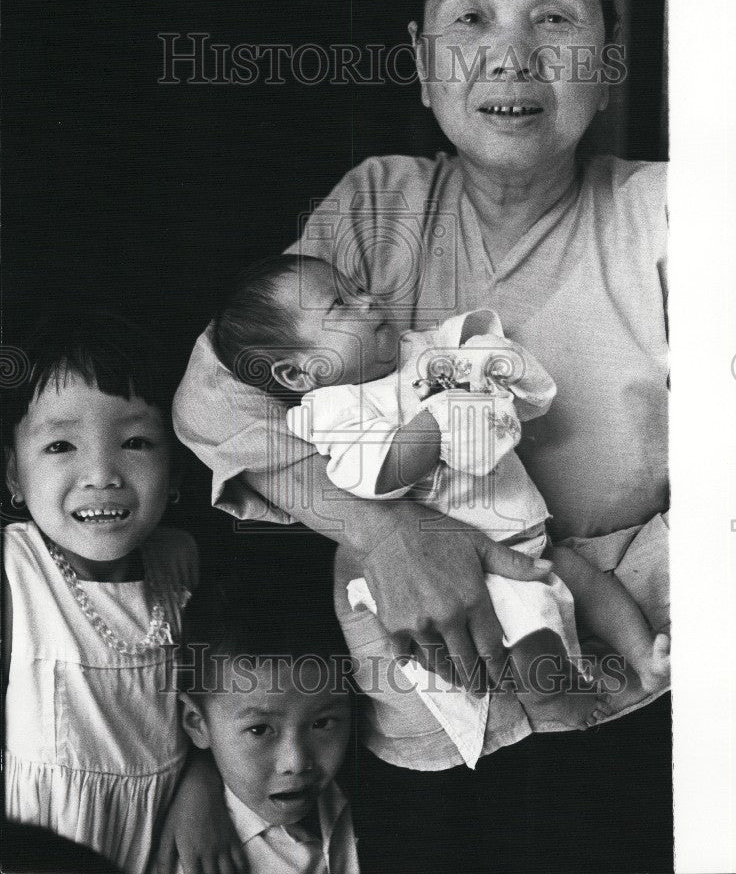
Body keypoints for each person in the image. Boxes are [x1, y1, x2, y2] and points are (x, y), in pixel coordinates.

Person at [169, 0, 671, 871]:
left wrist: (570, 577)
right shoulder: (376, 209)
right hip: (415, 735)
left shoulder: (662, 219)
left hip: (630, 715)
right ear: (419, 61)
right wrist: (384, 526)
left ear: (609, 58)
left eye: (555, 17)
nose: (511, 55)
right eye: (470, 14)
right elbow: (215, 397)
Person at [211, 252, 669, 743]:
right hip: (467, 569)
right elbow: (375, 475)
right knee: (526, 640)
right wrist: (436, 415)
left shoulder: (422, 350)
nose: (368, 300)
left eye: (359, 288)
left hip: (526, 531)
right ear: (300, 374)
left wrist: (492, 360)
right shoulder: (331, 412)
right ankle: (555, 701)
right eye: (341, 305)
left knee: (587, 581)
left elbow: (504, 373)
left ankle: (645, 658)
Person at [2, 311, 198, 874]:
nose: (102, 474)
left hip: (160, 842)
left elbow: (215, 711)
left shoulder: (181, 569)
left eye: (135, 441)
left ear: (177, 470)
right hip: (41, 848)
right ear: (14, 474)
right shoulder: (16, 573)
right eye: (61, 446)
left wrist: (201, 787)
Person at [174, 560, 360, 874]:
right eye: (259, 729)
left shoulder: (377, 801)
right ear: (196, 722)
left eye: (322, 724)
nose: (297, 762)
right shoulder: (191, 858)